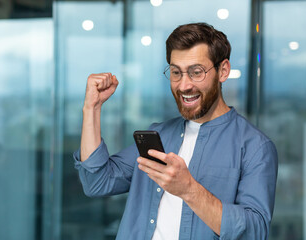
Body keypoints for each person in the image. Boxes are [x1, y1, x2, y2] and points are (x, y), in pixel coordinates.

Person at [73, 22, 278, 239]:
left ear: (223, 71)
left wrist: (189, 189)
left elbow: (254, 231)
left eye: (196, 72)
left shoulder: (255, 147)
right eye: (176, 72)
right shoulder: (158, 135)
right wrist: (91, 108)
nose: (183, 85)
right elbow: (97, 182)